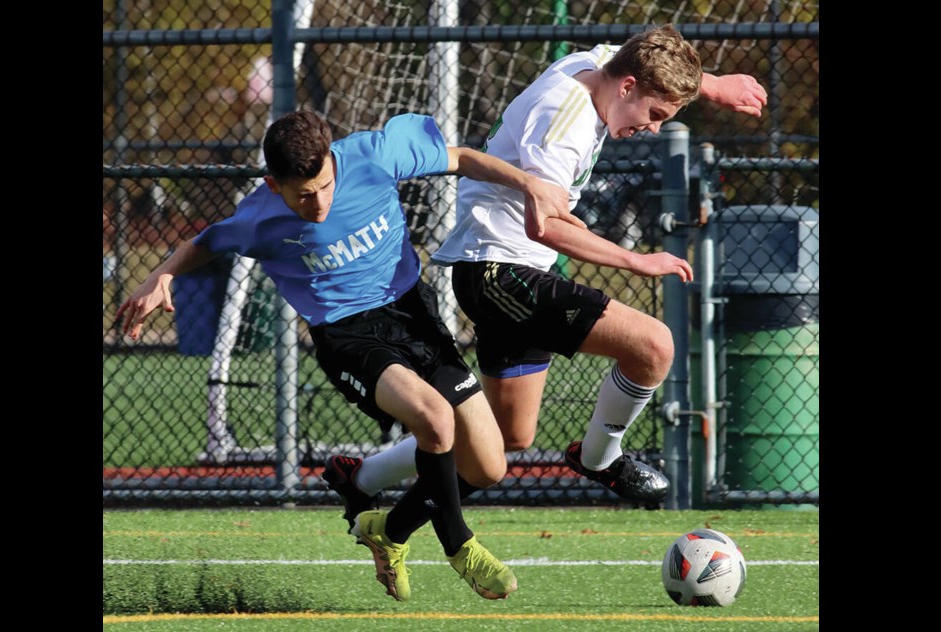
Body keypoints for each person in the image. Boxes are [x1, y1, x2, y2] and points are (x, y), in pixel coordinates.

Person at [116, 109, 581, 602]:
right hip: (346, 336)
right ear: (275, 186)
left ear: (334, 162)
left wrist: (529, 184)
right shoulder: (259, 217)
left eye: (323, 186)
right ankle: (459, 545)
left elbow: (462, 158)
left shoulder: (374, 156)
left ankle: (389, 527)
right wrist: (161, 275)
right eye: (302, 195)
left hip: (412, 315)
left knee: (488, 466)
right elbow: (207, 240)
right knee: (434, 418)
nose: (318, 203)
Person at [322, 25, 767, 518]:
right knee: (654, 345)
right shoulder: (566, 123)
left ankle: (361, 480)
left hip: (502, 267)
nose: (654, 128)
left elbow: (636, 53)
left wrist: (714, 83)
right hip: (500, 272)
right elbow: (545, 228)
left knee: (507, 434)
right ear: (627, 89)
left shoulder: (595, 66)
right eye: (655, 114)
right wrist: (638, 260)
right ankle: (600, 459)